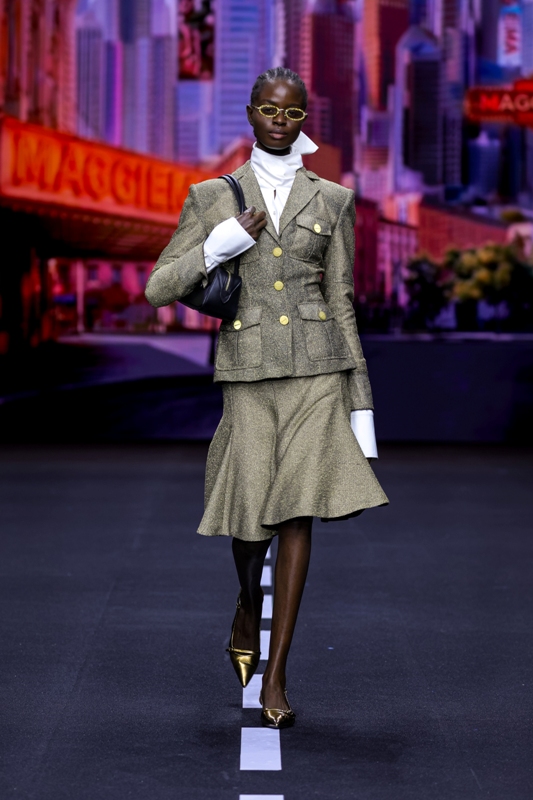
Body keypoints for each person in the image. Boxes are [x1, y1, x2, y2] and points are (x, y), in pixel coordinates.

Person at [145, 67, 389, 729]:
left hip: (317, 370)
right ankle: (246, 605)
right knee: (251, 515)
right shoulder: (210, 196)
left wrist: (360, 402)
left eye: (292, 112)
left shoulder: (333, 199)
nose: (280, 120)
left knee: (296, 513)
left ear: (305, 117)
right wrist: (220, 244)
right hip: (248, 372)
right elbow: (158, 288)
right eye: (269, 110)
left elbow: (341, 301)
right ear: (251, 113)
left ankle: (276, 673)